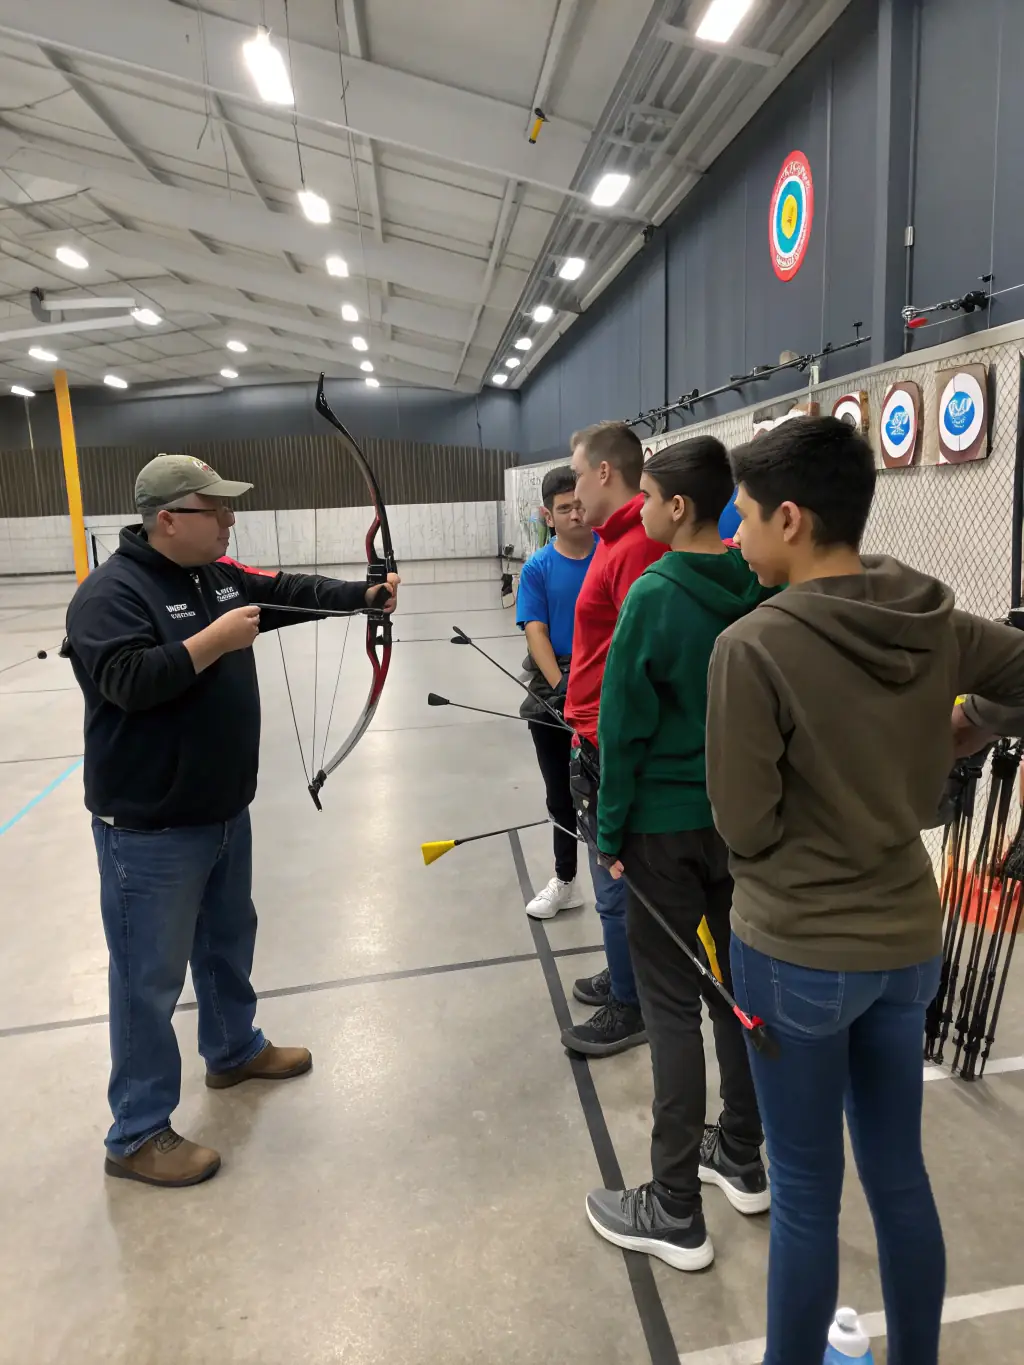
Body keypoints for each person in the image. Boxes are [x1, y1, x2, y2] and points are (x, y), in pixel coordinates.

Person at [705, 416, 1024, 1365]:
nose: (736, 534)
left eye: (747, 517)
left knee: (805, 1194)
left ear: (792, 519)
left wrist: (954, 728)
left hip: (796, 952)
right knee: (897, 1175)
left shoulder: (752, 646)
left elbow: (744, 826)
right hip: (906, 948)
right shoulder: (926, 613)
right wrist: (962, 724)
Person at [64, 454, 399, 1189]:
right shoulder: (108, 594)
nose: (229, 518)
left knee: (225, 939)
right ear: (168, 519)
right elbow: (127, 680)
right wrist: (214, 640)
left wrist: (364, 594)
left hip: (220, 811)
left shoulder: (212, 573)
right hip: (148, 830)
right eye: (215, 509)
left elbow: (283, 592)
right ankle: (137, 1130)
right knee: (147, 980)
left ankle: (232, 1049)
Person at [583, 438, 770, 1271]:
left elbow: (621, 731)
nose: (643, 510)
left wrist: (610, 830)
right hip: (738, 821)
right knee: (732, 988)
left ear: (679, 509)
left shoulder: (656, 591)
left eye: (650, 498)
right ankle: (740, 1149)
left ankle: (673, 1205)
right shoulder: (753, 579)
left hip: (659, 828)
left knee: (670, 1008)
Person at [561, 421, 666, 1057]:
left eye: (577, 473)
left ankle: (633, 1003)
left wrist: (607, 740)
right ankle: (622, 972)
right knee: (609, 889)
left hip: (610, 739)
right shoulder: (616, 539)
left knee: (614, 883)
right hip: (593, 730)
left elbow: (641, 662)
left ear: (605, 472)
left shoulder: (633, 548)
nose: (573, 487)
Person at [515, 466, 597, 918]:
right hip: (557, 687)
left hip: (604, 677)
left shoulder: (610, 554)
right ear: (548, 515)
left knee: (608, 791)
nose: (575, 516)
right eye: (564, 509)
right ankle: (567, 881)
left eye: (580, 506)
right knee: (560, 793)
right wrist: (564, 689)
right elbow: (536, 630)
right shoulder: (538, 567)